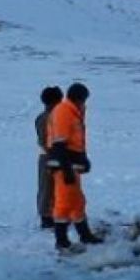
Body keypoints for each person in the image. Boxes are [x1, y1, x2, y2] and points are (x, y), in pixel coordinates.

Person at [47, 82, 103, 250]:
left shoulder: (74, 112)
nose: (84, 104)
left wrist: (83, 159)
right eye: (84, 100)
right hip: (64, 165)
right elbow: (59, 144)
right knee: (64, 202)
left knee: (77, 201)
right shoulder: (64, 112)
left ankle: (85, 235)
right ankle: (61, 239)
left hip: (72, 164)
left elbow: (77, 140)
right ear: (79, 98)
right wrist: (66, 170)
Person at [35, 86, 63, 228]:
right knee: (48, 187)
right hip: (51, 156)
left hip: (48, 156)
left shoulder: (42, 117)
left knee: (48, 187)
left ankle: (49, 214)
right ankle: (47, 216)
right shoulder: (50, 118)